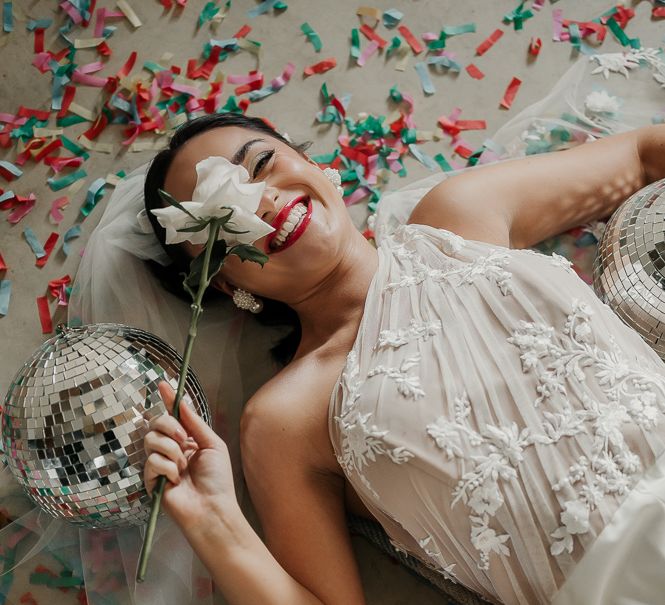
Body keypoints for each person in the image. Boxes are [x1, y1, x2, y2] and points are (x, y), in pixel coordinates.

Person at [139, 47, 665, 605]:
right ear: (221, 284)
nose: (263, 202)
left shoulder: (459, 218)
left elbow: (642, 155)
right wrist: (214, 522)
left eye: (263, 165)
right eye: (224, 219)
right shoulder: (284, 419)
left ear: (314, 165)